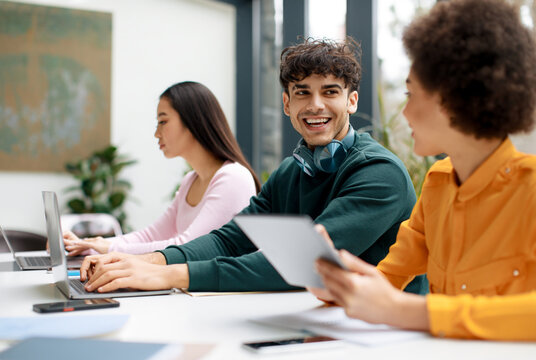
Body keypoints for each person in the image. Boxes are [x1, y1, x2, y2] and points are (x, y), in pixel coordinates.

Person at [79, 38, 427, 294]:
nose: (315, 105)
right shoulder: (292, 171)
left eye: (330, 92)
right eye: (302, 93)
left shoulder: (379, 173)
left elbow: (305, 264)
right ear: (286, 103)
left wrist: (169, 275)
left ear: (351, 101)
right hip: (321, 320)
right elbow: (231, 240)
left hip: (383, 335)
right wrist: (148, 262)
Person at [314, 0, 536, 341]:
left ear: (455, 98)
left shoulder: (531, 189)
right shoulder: (438, 185)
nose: (405, 113)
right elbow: (389, 277)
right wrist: (343, 286)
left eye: (411, 94)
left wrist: (409, 312)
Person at [63, 81, 260, 255]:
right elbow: (151, 235)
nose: (157, 134)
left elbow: (187, 247)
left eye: (163, 122)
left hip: (223, 295)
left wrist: (108, 249)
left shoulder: (233, 178)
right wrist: (87, 246)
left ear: (194, 121)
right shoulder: (191, 181)